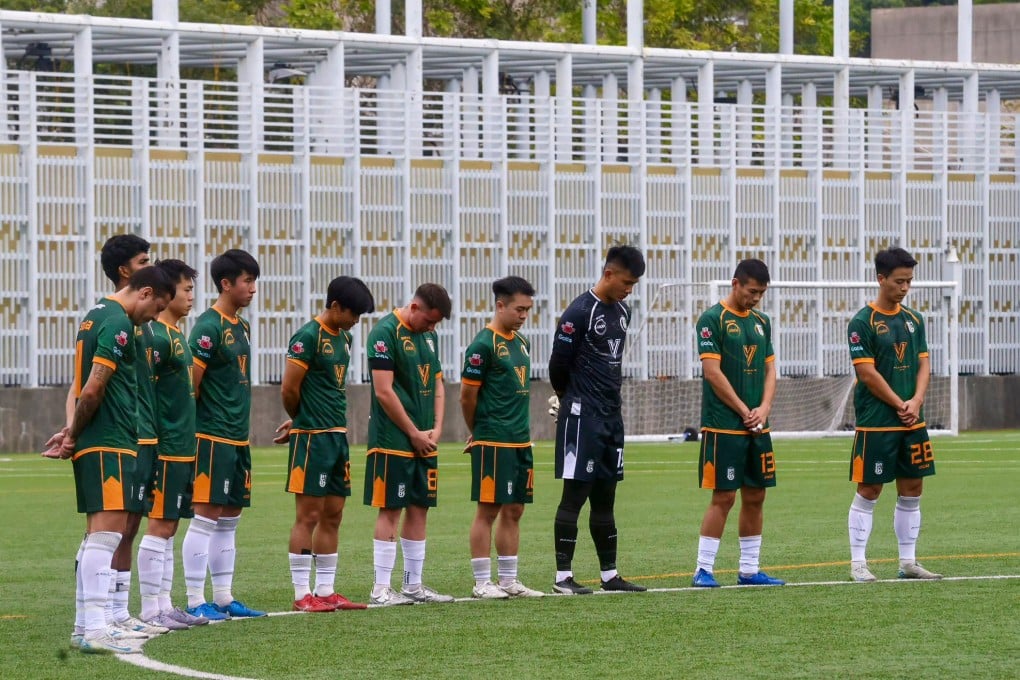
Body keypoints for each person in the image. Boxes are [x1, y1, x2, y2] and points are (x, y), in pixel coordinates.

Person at [45, 234, 169, 646]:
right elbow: (93, 389)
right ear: (145, 292)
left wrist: (71, 433)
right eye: (156, 308)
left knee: (99, 534)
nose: (154, 317)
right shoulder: (117, 322)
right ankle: (95, 628)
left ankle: (87, 625)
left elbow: (79, 387)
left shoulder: (94, 314)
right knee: (106, 535)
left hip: (99, 438)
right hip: (109, 437)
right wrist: (74, 434)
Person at [547, 245, 648, 595]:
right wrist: (568, 399)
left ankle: (610, 575)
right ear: (608, 274)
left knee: (606, 497)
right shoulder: (580, 311)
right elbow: (558, 364)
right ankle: (563, 578)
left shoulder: (623, 310)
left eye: (634, 284)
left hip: (610, 417)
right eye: (627, 282)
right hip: (582, 417)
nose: (630, 289)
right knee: (574, 495)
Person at [273, 276, 376, 612]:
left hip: (336, 436)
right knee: (309, 515)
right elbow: (289, 389)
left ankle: (326, 590)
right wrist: (302, 419)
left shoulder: (343, 338)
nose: (356, 322)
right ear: (335, 306)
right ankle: (303, 594)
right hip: (313, 439)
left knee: (334, 514)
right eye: (354, 314)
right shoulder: (307, 337)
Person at [846, 247, 942, 583]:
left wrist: (915, 400)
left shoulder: (914, 320)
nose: (904, 288)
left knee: (913, 487)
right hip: (877, 421)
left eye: (909, 281)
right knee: (870, 488)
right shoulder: (863, 322)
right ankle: (858, 563)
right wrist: (898, 402)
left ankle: (908, 561)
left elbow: (924, 363)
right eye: (899, 281)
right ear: (881, 278)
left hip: (911, 419)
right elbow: (866, 373)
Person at [181, 249, 266, 619]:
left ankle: (224, 597)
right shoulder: (208, 326)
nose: (253, 289)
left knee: (230, 518)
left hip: (238, 438)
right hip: (212, 437)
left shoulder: (241, 326)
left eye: (254, 281)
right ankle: (195, 600)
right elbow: (191, 387)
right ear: (226, 283)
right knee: (205, 517)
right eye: (247, 281)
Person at [690, 259, 785, 588]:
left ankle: (749, 569)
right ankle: (703, 569)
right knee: (724, 496)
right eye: (751, 291)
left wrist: (764, 407)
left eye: (761, 293)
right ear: (735, 283)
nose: (756, 298)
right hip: (723, 425)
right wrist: (745, 409)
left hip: (758, 424)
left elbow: (771, 369)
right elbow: (712, 372)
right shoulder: (712, 320)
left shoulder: (762, 322)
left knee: (756, 495)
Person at [364, 283, 455, 606]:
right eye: (429, 320)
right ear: (414, 307)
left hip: (425, 440)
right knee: (391, 508)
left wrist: (437, 428)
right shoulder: (384, 333)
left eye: (436, 324)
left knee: (420, 508)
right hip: (393, 439)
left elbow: (439, 384)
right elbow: (383, 391)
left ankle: (413, 584)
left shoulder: (429, 336)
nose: (431, 328)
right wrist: (413, 432)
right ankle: (380, 588)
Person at [461, 276, 544, 599]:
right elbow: (467, 397)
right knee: (488, 510)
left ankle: (508, 579)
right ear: (500, 305)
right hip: (493, 439)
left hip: (520, 440)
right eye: (519, 309)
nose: (524, 316)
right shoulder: (483, 344)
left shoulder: (521, 343)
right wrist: (477, 431)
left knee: (515, 510)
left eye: (528, 310)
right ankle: (482, 582)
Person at [137, 259, 209, 630]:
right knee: (159, 525)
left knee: (171, 526)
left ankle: (165, 603)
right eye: (186, 290)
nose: (191, 297)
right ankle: (151, 608)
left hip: (184, 446)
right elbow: (145, 392)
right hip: (165, 446)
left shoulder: (179, 335)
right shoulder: (157, 336)